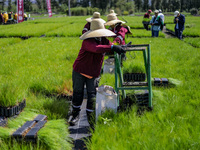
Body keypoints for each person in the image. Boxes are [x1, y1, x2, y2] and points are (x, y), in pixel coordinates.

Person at [68, 17, 125, 127]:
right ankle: (75, 115)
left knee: (92, 95)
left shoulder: (103, 39)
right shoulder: (87, 41)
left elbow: (108, 46)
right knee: (78, 93)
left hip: (93, 72)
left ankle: (91, 118)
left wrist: (120, 47)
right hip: (80, 70)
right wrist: (112, 47)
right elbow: (96, 49)